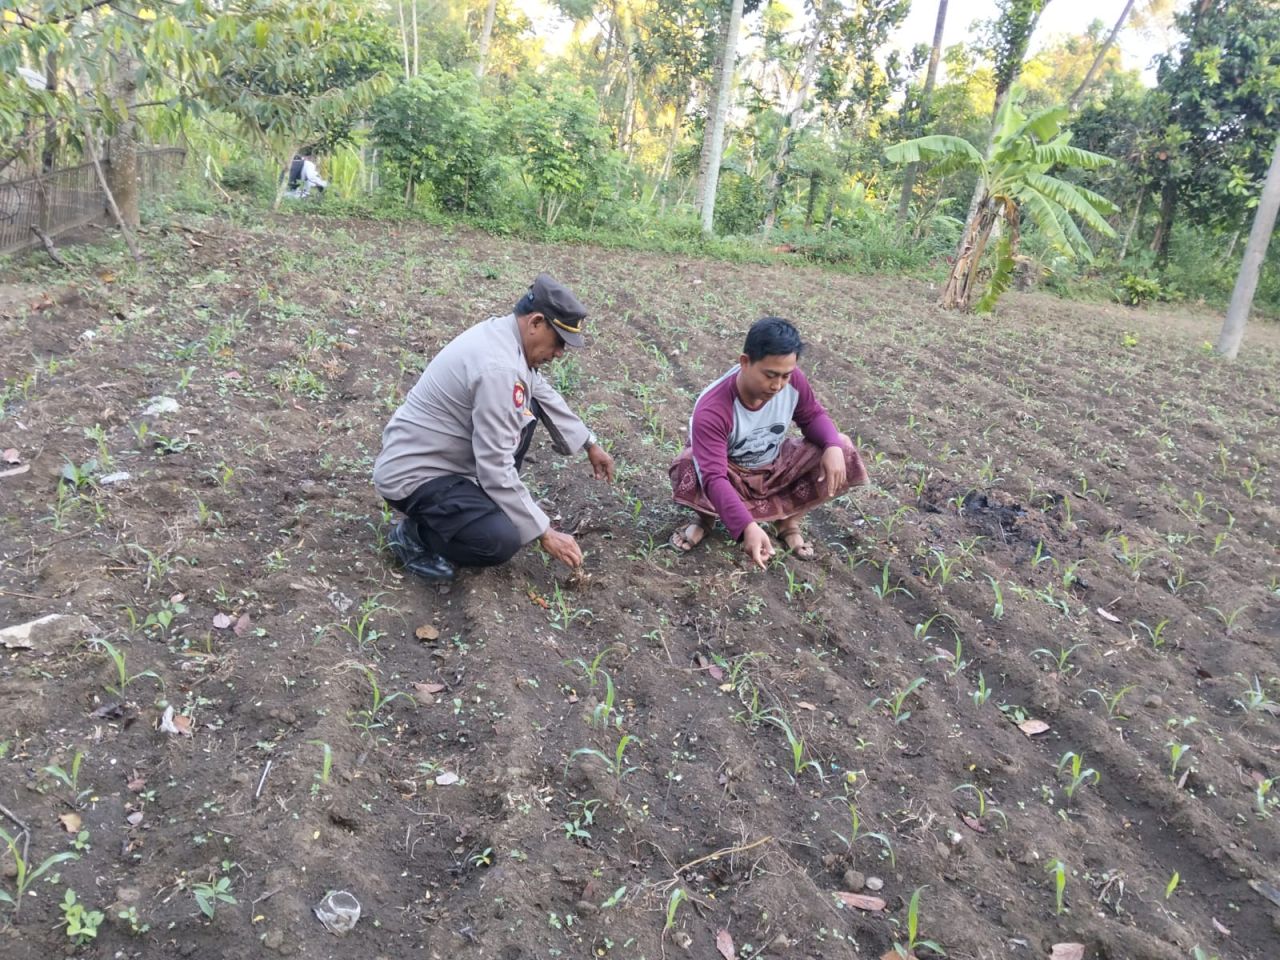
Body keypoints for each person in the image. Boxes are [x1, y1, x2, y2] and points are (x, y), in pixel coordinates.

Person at [373, 274, 615, 583]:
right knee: (500, 540)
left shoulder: (505, 337)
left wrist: (589, 443)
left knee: (531, 405)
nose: (559, 354)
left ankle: (482, 504)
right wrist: (544, 531)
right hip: (416, 473)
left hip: (442, 459)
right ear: (537, 322)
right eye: (559, 342)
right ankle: (413, 537)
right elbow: (494, 465)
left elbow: (540, 391)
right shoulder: (498, 368)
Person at [668, 316, 868, 568]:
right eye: (770, 375)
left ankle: (787, 521)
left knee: (842, 445)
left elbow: (812, 415)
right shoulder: (713, 409)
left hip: (773, 467)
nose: (777, 385)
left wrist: (831, 445)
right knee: (689, 463)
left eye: (785, 376)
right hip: (730, 474)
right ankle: (705, 519)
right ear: (745, 362)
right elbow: (714, 477)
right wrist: (746, 528)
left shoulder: (793, 383)